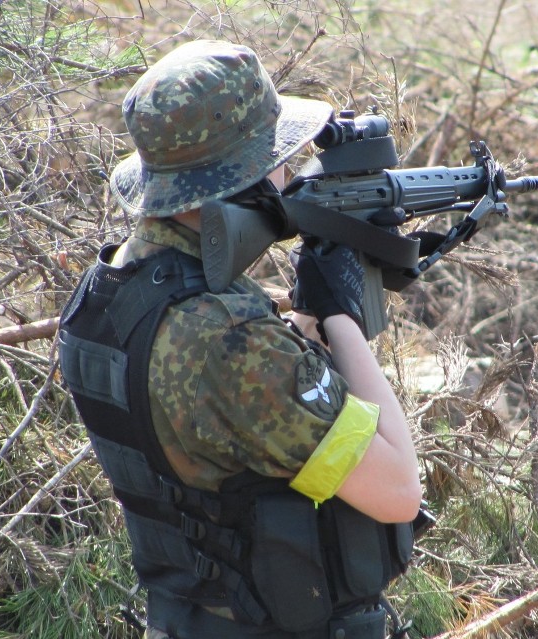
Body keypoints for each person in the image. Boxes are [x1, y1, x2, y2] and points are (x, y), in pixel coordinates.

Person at [57, 40, 422, 639]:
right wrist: (342, 318)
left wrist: (305, 320)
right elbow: (398, 490)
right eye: (276, 158)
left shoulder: (107, 292)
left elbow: (243, 426)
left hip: (185, 619)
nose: (287, 173)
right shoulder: (225, 339)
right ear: (241, 177)